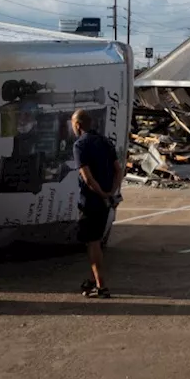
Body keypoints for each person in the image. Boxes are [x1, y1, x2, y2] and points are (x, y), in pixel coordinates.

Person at [72, 109, 121, 298]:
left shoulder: (80, 146)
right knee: (97, 241)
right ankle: (93, 280)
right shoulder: (105, 141)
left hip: (90, 201)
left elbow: (87, 177)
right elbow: (118, 170)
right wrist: (111, 193)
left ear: (78, 125)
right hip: (105, 201)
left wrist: (101, 193)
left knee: (92, 243)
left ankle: (101, 285)